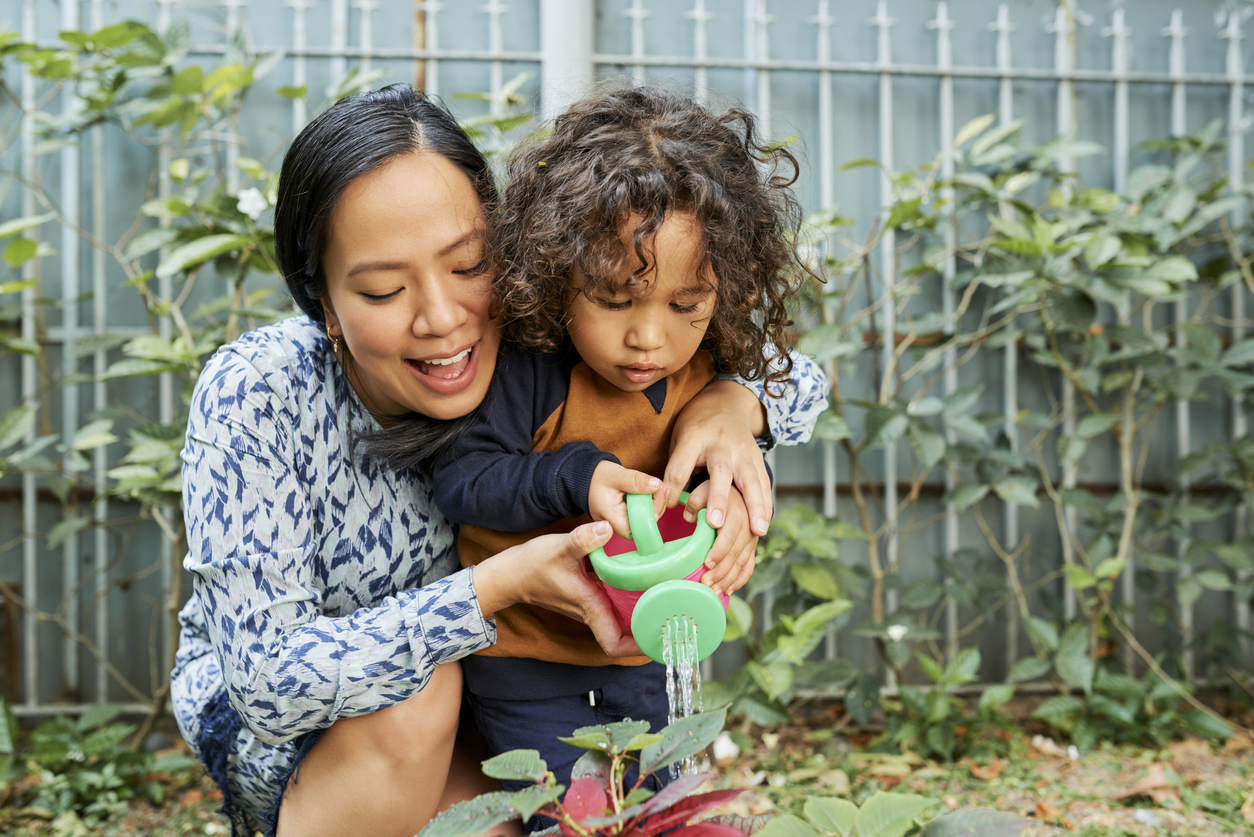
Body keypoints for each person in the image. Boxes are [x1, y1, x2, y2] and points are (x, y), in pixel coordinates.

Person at [169, 84, 828, 837]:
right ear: (322, 301)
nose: (443, 318)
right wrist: (495, 587)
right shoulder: (261, 392)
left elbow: (773, 361)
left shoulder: (549, 313)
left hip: (500, 712)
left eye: (468, 264)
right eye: (384, 288)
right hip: (324, 734)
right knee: (422, 700)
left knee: (597, 809)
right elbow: (267, 684)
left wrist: (733, 408)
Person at [431, 87, 818, 800]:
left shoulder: (709, 371)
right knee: (575, 811)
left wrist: (727, 516)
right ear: (556, 270)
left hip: (652, 648)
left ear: (723, 293)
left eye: (686, 305)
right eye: (614, 300)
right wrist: (576, 478)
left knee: (659, 801)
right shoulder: (534, 367)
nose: (649, 337)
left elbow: (788, 402)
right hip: (531, 657)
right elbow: (462, 478)